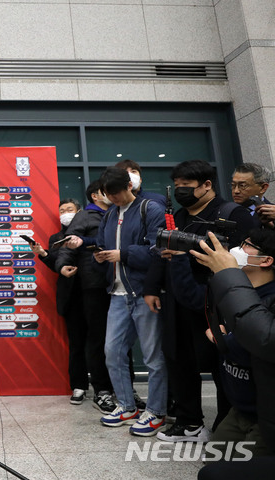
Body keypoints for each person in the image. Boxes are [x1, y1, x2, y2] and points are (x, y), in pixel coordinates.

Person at [144, 159, 252, 443]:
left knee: (221, 363)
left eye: (187, 187)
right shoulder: (177, 216)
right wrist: (151, 287)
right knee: (178, 360)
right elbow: (161, 251)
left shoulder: (233, 214)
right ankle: (188, 422)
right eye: (177, 187)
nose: (181, 192)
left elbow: (244, 260)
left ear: (207, 185)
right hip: (176, 298)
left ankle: (226, 425)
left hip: (215, 301)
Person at [190, 231, 275, 478]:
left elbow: (260, 343)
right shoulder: (233, 291)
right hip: (238, 409)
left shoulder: (269, 298)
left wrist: (225, 340)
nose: (237, 249)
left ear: (266, 260)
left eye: (247, 246)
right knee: (213, 463)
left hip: (265, 415)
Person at [94, 167, 168, 437]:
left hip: (143, 292)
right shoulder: (110, 213)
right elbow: (103, 244)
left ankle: (157, 410)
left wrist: (123, 254)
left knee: (153, 357)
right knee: (112, 352)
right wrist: (101, 255)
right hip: (117, 292)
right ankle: (126, 405)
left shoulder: (151, 209)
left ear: (129, 185)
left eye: (116, 193)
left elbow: (158, 250)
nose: (113, 199)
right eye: (108, 195)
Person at [57, 181, 117, 413]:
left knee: (121, 342)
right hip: (95, 284)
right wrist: (62, 265)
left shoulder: (118, 213)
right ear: (96, 195)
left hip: (121, 284)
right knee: (97, 338)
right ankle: (101, 390)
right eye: (109, 190)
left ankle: (124, 388)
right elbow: (67, 245)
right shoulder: (84, 216)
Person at [30, 198, 88, 404]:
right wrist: (43, 253)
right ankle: (79, 386)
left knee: (103, 344)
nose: (65, 213)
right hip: (70, 297)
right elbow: (56, 264)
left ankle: (106, 389)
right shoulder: (57, 237)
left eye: (69, 210)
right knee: (76, 344)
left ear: (79, 211)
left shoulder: (91, 232)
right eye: (62, 210)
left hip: (95, 294)